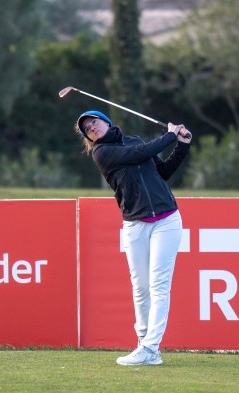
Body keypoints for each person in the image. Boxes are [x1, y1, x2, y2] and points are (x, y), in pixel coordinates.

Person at [75, 110, 191, 366]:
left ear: (105, 121)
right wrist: (169, 134)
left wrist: (181, 145)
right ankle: (143, 343)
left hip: (167, 220)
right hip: (135, 223)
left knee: (159, 285)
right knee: (140, 288)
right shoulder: (102, 154)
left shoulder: (136, 141)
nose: (91, 128)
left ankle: (151, 348)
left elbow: (163, 172)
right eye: (87, 129)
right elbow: (138, 156)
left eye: (93, 122)